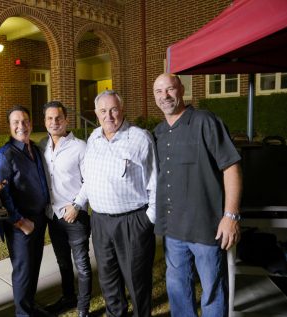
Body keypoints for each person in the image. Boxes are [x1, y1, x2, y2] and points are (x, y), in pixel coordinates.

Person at [152, 73, 242, 317]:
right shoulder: (158, 132)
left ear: (181, 89)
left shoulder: (205, 121)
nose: (165, 96)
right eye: (159, 92)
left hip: (206, 227)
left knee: (213, 291)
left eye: (169, 89)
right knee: (178, 291)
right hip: (173, 231)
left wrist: (231, 215)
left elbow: (231, 166)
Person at [74, 90, 158, 317]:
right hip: (100, 222)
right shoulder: (93, 138)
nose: (108, 115)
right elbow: (89, 179)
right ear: (96, 113)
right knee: (108, 279)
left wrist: (147, 220)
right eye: (103, 111)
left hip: (132, 222)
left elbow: (155, 183)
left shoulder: (140, 138)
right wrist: (79, 202)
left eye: (113, 109)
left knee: (136, 280)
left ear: (122, 110)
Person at [0, 105, 49, 317]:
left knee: (34, 267)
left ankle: (30, 307)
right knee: (24, 271)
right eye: (16, 122)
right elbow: (1, 196)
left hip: (39, 219)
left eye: (25, 121)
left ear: (31, 124)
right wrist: (19, 222)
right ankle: (23, 313)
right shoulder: (4, 156)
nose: (21, 126)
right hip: (20, 224)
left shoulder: (34, 149)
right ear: (9, 126)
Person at [39, 101, 92, 317]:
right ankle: (68, 297)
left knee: (82, 264)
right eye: (50, 118)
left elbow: (89, 181)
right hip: (53, 216)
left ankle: (83, 308)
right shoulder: (42, 145)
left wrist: (77, 205)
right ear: (45, 121)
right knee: (62, 262)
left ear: (66, 119)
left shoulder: (80, 147)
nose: (54, 122)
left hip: (74, 216)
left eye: (58, 118)